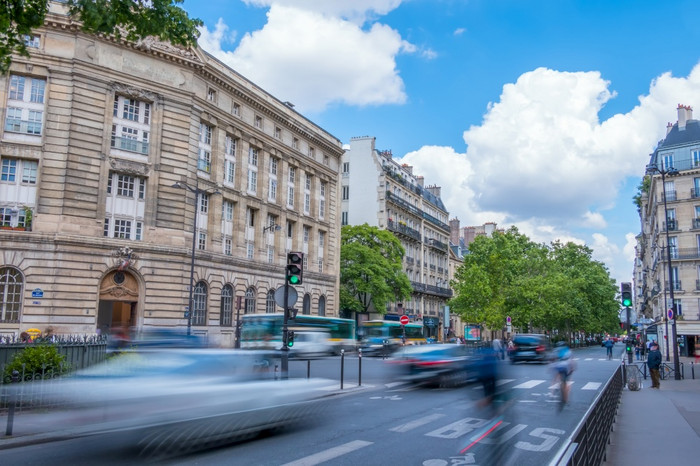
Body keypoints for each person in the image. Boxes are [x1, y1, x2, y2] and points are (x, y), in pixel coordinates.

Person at [551, 342, 576, 409]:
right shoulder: (568, 351)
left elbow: (552, 359)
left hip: (558, 367)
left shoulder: (556, 350)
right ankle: (566, 400)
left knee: (556, 378)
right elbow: (572, 361)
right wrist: (573, 368)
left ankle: (553, 392)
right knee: (566, 382)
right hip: (566, 368)